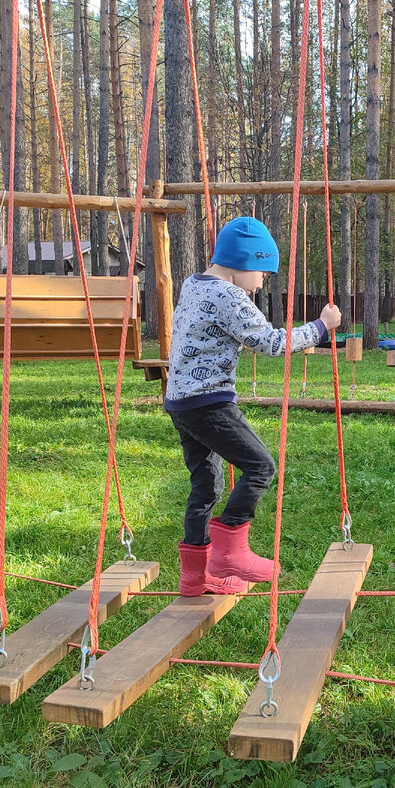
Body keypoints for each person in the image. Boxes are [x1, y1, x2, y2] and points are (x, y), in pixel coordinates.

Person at [165, 216, 342, 596]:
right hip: (208, 402)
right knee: (261, 466)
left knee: (206, 486)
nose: (261, 283)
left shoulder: (193, 284)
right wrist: (322, 326)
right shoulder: (230, 296)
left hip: (180, 402)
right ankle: (229, 552)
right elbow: (272, 343)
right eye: (262, 273)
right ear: (244, 260)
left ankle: (195, 577)